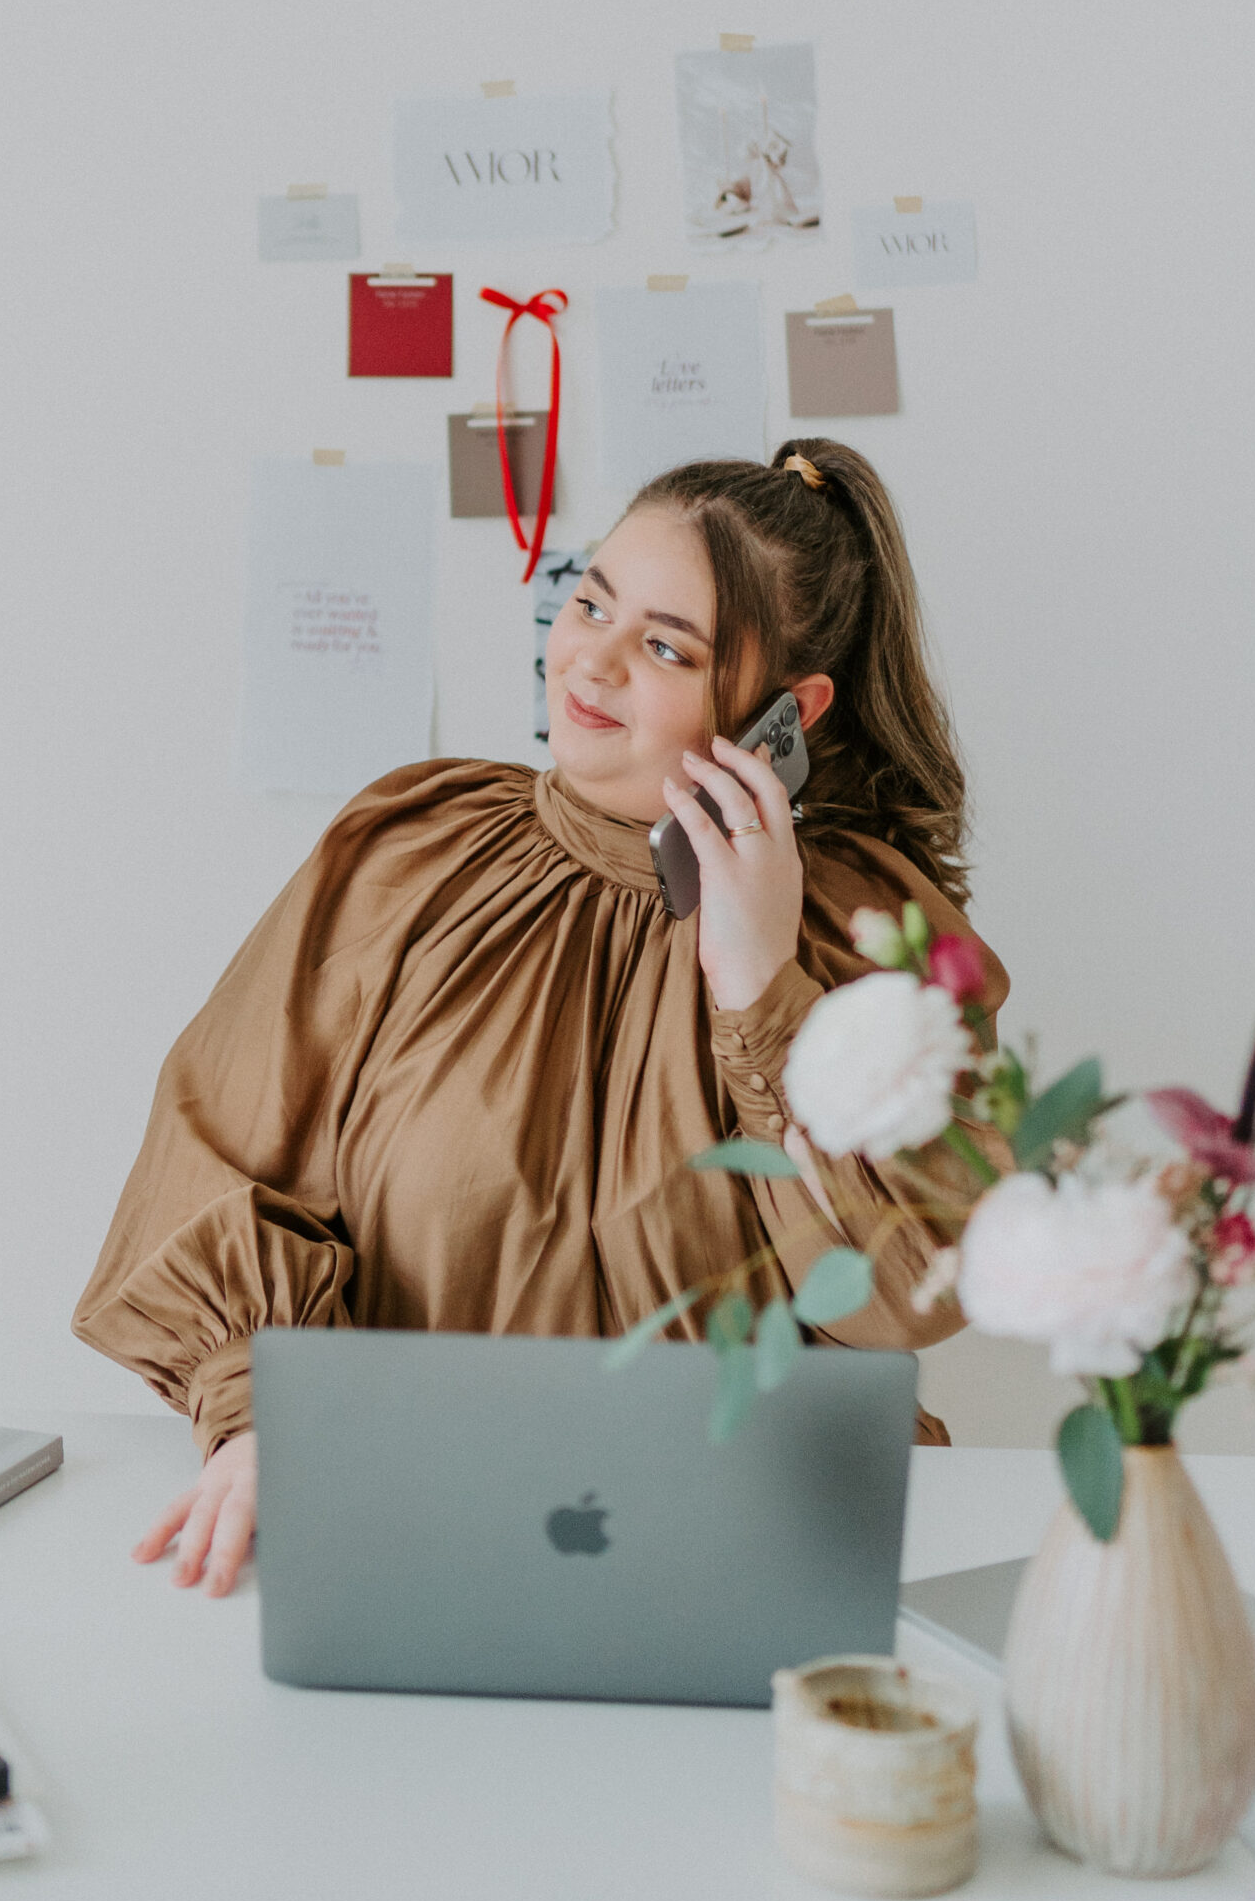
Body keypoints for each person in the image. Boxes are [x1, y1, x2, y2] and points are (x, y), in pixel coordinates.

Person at [74, 439, 1008, 1594]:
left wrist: (763, 984)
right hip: (401, 1539)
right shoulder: (407, 853)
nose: (592, 662)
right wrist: (261, 1414)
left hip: (753, 1565)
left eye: (666, 645)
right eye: (591, 600)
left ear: (791, 710)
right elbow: (211, 1162)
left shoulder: (871, 932)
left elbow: (910, 1286)